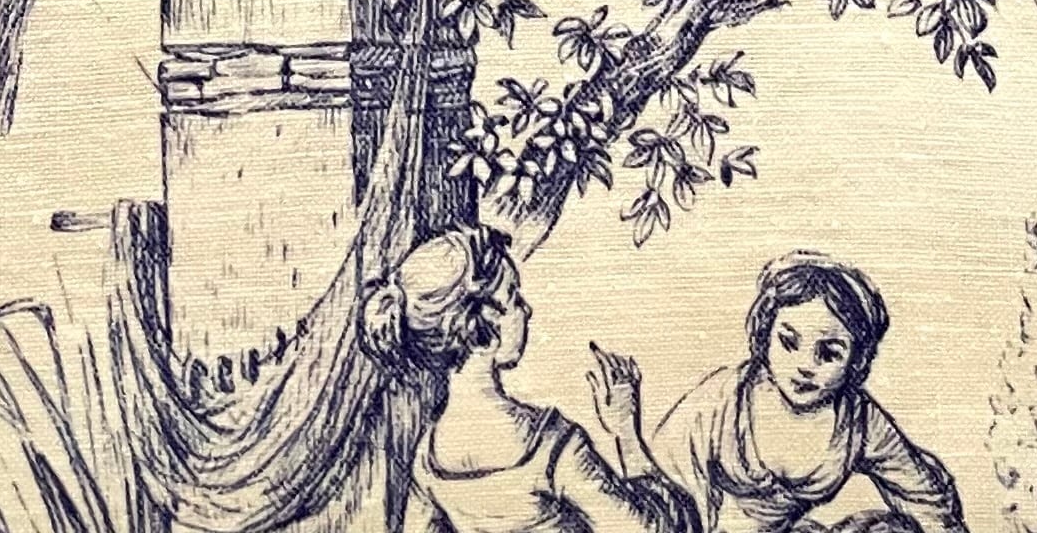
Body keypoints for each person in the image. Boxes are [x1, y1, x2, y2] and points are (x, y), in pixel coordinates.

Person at [366, 222, 695, 533]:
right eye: (514, 298)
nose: (526, 310)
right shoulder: (550, 446)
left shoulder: (429, 457)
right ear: (486, 326)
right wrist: (626, 432)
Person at [653, 258, 965, 533]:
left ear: (856, 359)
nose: (805, 366)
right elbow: (664, 494)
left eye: (829, 354)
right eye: (789, 342)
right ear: (765, 334)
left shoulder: (856, 419)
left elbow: (923, 496)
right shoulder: (723, 401)